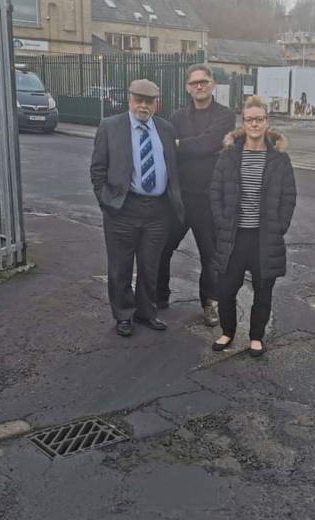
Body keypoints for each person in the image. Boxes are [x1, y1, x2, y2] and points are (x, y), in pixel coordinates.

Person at [90, 79, 184, 337]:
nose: (143, 105)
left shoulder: (165, 129)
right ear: (129, 100)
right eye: (139, 99)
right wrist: (106, 202)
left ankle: (146, 312)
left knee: (150, 266)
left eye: (149, 101)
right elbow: (98, 169)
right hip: (123, 208)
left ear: (156, 103)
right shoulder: (110, 126)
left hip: (157, 211)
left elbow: (172, 167)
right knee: (120, 267)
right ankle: (124, 315)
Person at [210, 96, 297, 357]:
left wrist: (279, 225)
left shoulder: (279, 159)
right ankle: (227, 332)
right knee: (225, 290)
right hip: (234, 236)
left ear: (267, 122)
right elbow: (215, 193)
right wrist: (222, 221)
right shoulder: (229, 156)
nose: (255, 124)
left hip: (263, 236)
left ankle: (256, 337)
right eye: (250, 119)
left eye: (259, 119)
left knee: (263, 289)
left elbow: (288, 196)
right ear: (243, 122)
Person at [157, 64, 235, 326]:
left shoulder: (224, 115)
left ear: (212, 84)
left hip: (209, 198)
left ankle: (209, 303)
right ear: (187, 88)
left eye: (204, 81)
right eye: (194, 83)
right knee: (162, 248)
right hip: (179, 197)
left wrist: (180, 145)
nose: (199, 86)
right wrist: (197, 146)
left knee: (210, 255)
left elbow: (210, 142)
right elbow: (175, 148)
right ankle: (159, 296)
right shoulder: (177, 117)